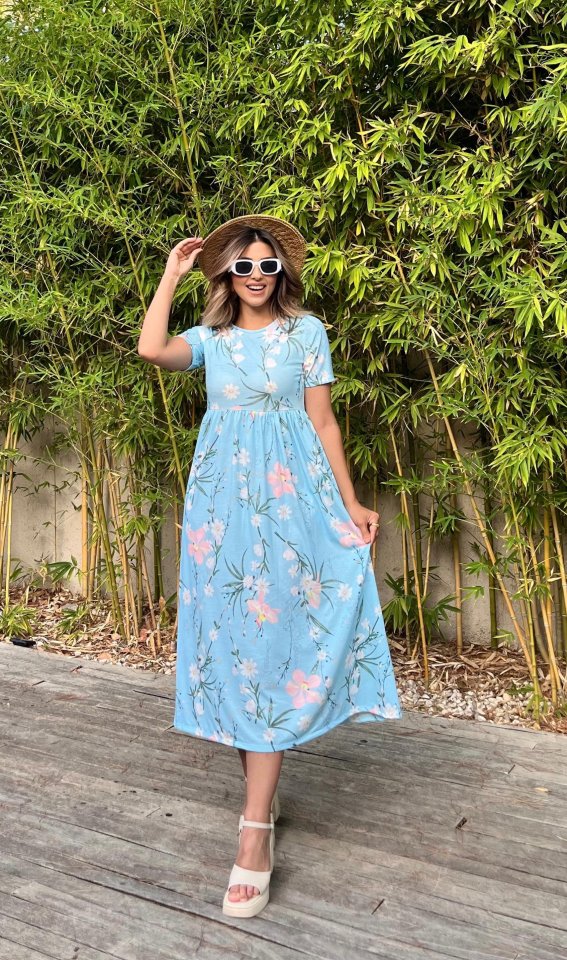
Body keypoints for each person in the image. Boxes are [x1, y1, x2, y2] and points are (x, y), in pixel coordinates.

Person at [138, 214, 402, 918]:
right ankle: (263, 792)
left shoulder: (306, 333)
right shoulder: (211, 340)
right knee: (235, 644)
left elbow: (324, 422)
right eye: (243, 266)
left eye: (268, 266)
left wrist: (351, 502)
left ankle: (254, 830)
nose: (256, 276)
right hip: (221, 511)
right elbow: (151, 348)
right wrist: (171, 274)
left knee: (274, 643)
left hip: (294, 505)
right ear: (226, 275)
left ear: (282, 273)